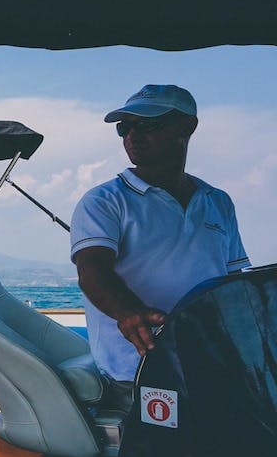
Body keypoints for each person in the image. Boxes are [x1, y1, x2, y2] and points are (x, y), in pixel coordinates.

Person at [71, 85, 250, 392]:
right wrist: (129, 312)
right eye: (125, 127)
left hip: (210, 365)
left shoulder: (217, 201)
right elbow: (92, 270)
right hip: (137, 371)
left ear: (187, 127)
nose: (133, 135)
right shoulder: (103, 201)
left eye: (148, 124)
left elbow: (235, 283)